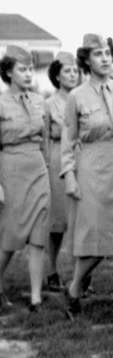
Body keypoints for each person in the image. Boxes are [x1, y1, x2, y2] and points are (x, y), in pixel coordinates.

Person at [62, 32, 113, 326]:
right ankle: (75, 287)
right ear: (86, 60)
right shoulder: (76, 97)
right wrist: (69, 176)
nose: (105, 58)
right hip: (90, 168)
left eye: (108, 53)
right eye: (98, 54)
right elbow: (67, 143)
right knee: (95, 240)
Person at [0, 44, 51, 312]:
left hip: (37, 169)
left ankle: (35, 297)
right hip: (10, 170)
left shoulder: (39, 101)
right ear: (9, 72)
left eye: (31, 68)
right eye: (22, 69)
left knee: (38, 235)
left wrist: (47, 167)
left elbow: (45, 141)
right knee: (9, 235)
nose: (29, 74)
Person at [42, 51, 81, 293]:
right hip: (57, 161)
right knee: (56, 223)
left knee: (81, 220)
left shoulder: (81, 98)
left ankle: (81, 276)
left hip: (81, 158)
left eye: (75, 71)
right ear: (57, 75)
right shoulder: (49, 104)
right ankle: (52, 271)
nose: (72, 75)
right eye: (67, 71)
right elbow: (44, 139)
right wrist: (45, 168)